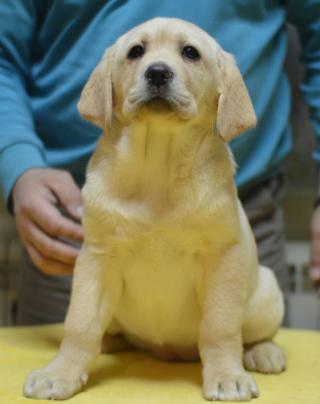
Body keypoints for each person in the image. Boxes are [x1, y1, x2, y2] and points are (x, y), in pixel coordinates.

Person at [0, 1, 319, 325]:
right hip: (77, 218)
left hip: (236, 209)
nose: (158, 69)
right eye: (137, 52)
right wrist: (18, 161)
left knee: (242, 346)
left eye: (190, 54)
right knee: (72, 356)